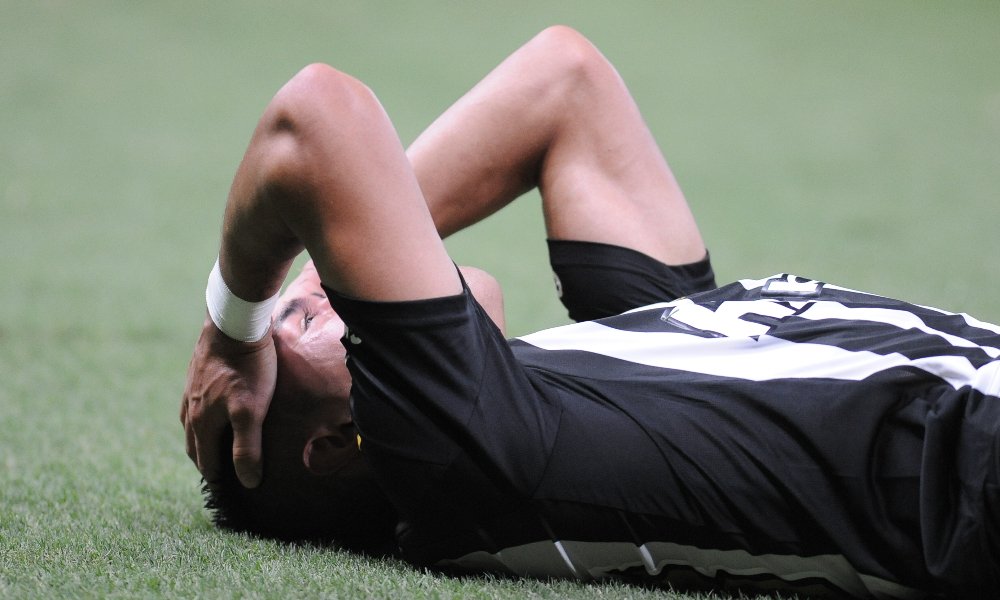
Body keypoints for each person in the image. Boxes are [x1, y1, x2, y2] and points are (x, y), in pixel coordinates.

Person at [181, 26, 1000, 599]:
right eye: (309, 321)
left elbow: (564, 82)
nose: (329, 279)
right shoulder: (465, 456)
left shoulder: (592, 382)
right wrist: (234, 324)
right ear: (342, 441)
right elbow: (311, 124)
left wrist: (298, 288)